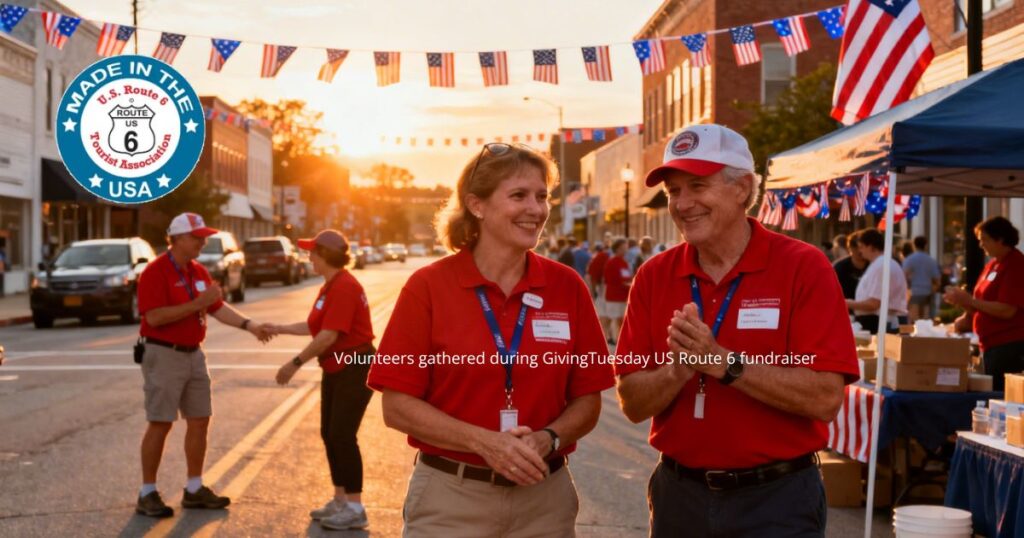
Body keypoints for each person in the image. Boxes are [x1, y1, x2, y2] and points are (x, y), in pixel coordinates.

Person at [614, 124, 858, 538]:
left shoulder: (803, 267)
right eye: (674, 191)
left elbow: (825, 398)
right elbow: (632, 403)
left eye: (697, 185)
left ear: (742, 188)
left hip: (776, 501)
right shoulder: (655, 275)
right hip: (679, 496)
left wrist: (725, 364)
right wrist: (678, 370)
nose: (682, 203)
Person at [367, 143, 614, 537]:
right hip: (451, 499)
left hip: (544, 500)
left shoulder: (566, 286)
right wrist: (484, 443)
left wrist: (547, 439)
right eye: (518, 195)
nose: (536, 209)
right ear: (476, 205)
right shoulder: (428, 287)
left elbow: (588, 399)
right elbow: (396, 406)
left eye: (541, 196)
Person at [135, 213, 274, 518]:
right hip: (163, 353)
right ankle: (147, 492)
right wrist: (198, 304)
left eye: (203, 236)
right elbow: (154, 317)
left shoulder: (197, 270)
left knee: (200, 419)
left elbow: (216, 307)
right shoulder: (155, 272)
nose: (203, 241)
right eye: (197, 237)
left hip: (194, 353)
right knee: (161, 421)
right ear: (179, 239)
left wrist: (250, 325)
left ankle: (195, 487)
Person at [270, 229, 375, 531]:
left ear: (326, 255)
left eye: (313, 252)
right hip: (336, 367)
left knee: (343, 435)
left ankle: (355, 507)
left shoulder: (343, 287)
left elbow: (330, 335)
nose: (309, 257)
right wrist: (277, 327)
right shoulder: (331, 285)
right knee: (329, 433)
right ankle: (340, 499)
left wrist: (294, 363)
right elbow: (315, 326)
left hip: (354, 366)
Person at [946, 217, 1024, 391]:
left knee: (999, 394)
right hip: (989, 345)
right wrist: (962, 303)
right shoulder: (992, 265)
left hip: (1009, 346)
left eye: (985, 240)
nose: (981, 245)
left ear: (1000, 239)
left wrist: (969, 301)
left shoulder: (1016, 264)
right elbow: (980, 305)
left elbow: (1007, 310)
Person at [846, 228, 909, 334]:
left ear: (870, 247)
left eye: (861, 247)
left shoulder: (881, 265)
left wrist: (847, 303)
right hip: (879, 320)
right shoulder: (881, 264)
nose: (860, 251)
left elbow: (873, 303)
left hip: (880, 322)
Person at [903, 236, 941, 321]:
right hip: (927, 292)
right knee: (926, 320)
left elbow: (903, 275)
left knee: (913, 320)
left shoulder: (910, 259)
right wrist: (933, 289)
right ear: (925, 245)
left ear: (914, 245)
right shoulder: (931, 260)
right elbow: (937, 279)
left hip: (914, 292)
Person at [603, 238, 631, 345]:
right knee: (613, 320)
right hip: (614, 296)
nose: (626, 250)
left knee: (621, 321)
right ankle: (614, 341)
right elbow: (613, 279)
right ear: (618, 249)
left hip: (623, 296)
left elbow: (627, 277)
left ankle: (620, 342)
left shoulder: (623, 262)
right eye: (624, 248)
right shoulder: (612, 262)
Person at [832, 233, 867, 301]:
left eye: (861, 247)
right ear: (849, 248)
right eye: (855, 247)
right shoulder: (839, 267)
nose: (859, 251)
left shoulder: (873, 265)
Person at [586, 242, 611, 339]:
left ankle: (606, 335)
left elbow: (592, 274)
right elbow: (594, 275)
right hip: (603, 288)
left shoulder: (600, 257)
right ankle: (605, 335)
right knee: (604, 313)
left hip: (605, 288)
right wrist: (593, 291)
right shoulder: (602, 257)